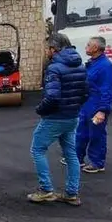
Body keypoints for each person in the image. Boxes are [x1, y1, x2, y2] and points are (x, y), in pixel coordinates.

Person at [28, 34, 88, 206]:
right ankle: (71, 193)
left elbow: (52, 97)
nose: (46, 52)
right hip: (72, 117)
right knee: (71, 154)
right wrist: (74, 108)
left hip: (54, 117)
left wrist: (40, 109)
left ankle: (46, 189)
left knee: (37, 149)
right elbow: (85, 93)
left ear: (54, 49)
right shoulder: (80, 66)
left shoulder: (54, 68)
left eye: (47, 48)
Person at [76, 36, 112, 174]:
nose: (86, 47)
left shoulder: (106, 66)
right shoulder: (92, 63)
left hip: (96, 105)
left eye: (88, 45)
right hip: (87, 104)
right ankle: (78, 158)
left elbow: (107, 90)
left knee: (96, 134)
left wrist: (102, 110)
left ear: (96, 48)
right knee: (81, 132)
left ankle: (97, 163)